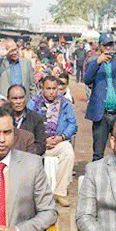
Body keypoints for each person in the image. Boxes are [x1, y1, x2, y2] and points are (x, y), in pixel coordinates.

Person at [84, 32, 116, 161]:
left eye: (110, 45)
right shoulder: (93, 61)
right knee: (98, 151)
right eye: (105, 45)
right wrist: (97, 62)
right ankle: (97, 177)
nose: (108, 48)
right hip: (101, 113)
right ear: (100, 46)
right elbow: (86, 79)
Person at [27, 75, 77, 207]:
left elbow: (73, 124)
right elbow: (27, 124)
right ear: (42, 88)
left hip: (57, 142)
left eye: (54, 88)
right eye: (48, 88)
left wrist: (62, 137)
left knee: (68, 152)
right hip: (37, 143)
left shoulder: (65, 103)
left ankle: (59, 192)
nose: (51, 91)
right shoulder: (33, 103)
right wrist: (42, 141)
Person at [8, 84, 46, 155]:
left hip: (28, 158)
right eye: (15, 98)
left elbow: (41, 146)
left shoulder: (36, 119)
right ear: (8, 98)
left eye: (21, 98)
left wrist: (24, 155)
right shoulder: (3, 118)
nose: (18, 102)